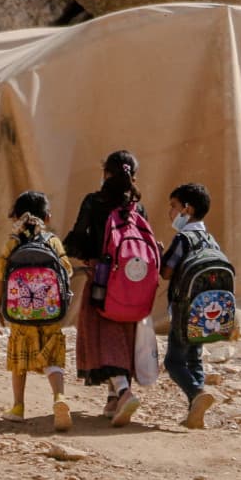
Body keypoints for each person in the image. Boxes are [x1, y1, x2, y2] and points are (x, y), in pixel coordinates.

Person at [65, 149, 151, 427]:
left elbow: (76, 238)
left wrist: (88, 258)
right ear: (133, 176)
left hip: (102, 278)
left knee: (103, 334)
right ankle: (113, 398)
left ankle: (124, 391)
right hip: (132, 283)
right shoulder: (137, 207)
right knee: (124, 332)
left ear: (106, 173)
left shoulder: (94, 202)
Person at [0, 190, 73, 433]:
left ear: (16, 216)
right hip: (50, 311)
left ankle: (18, 407)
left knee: (19, 360)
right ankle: (59, 397)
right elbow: (65, 272)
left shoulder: (13, 242)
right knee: (53, 357)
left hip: (20, 314)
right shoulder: (53, 241)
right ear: (46, 217)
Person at [162, 182, 220, 429]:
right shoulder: (210, 240)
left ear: (187, 209)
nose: (170, 213)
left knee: (173, 362)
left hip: (183, 311)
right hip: (207, 312)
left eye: (174, 207)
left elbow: (166, 272)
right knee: (195, 360)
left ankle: (197, 393)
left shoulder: (183, 238)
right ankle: (195, 412)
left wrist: (159, 254)